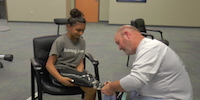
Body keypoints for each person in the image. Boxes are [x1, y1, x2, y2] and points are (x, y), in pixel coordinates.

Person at [101, 25, 193, 100]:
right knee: (114, 92)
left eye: (118, 42)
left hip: (168, 97)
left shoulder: (151, 48)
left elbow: (135, 80)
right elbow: (137, 78)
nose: (119, 48)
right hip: (158, 93)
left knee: (111, 92)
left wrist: (111, 87)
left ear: (127, 35)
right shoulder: (146, 47)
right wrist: (115, 86)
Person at [46, 8, 96, 100]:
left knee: (93, 84)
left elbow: (80, 61)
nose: (81, 33)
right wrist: (60, 78)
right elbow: (49, 64)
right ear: (69, 27)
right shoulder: (60, 41)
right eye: (78, 30)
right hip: (60, 71)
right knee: (92, 88)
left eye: (83, 30)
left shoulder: (82, 42)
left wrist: (79, 75)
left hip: (74, 72)